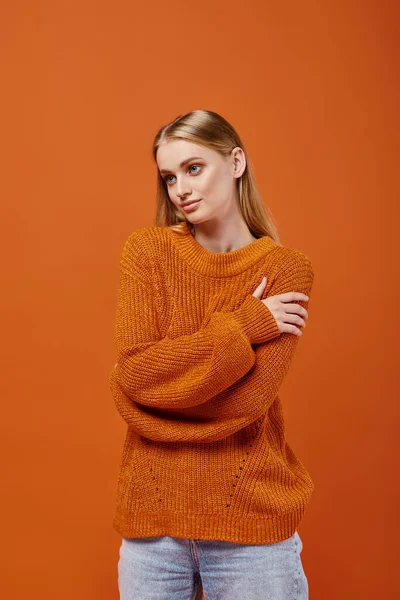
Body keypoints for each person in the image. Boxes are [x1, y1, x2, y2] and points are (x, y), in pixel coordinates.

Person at [109, 109, 314, 599]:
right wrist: (248, 324)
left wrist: (153, 397)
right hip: (152, 528)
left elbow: (242, 406)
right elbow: (137, 376)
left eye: (193, 168)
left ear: (236, 162)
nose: (180, 187)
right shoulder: (146, 253)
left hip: (253, 530)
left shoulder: (287, 270)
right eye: (169, 176)